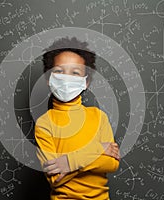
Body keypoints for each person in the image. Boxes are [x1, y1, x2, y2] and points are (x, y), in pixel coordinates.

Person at [35, 37, 120, 200]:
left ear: (86, 82)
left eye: (75, 73)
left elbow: (112, 163)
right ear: (48, 78)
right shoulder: (44, 124)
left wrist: (68, 162)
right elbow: (54, 178)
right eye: (59, 71)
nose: (66, 79)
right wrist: (98, 149)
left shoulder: (98, 117)